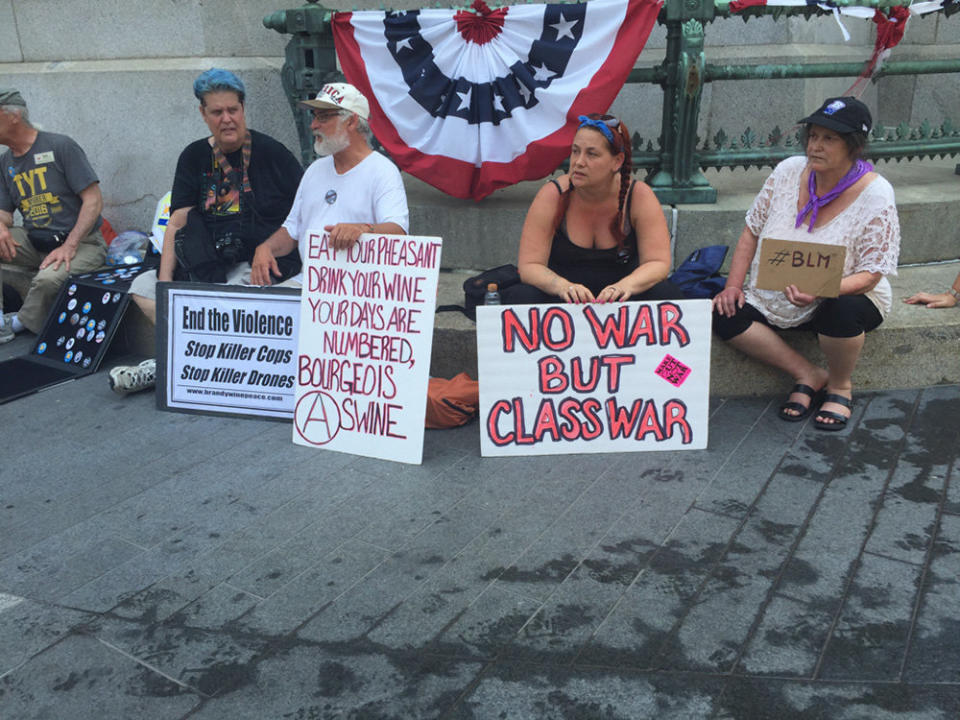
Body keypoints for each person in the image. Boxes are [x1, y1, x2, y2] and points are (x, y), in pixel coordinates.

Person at [109, 68, 303, 393]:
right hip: (205, 262)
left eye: (233, 110)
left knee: (233, 299)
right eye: (217, 112)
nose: (227, 119)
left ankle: (169, 367)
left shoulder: (273, 153)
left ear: (243, 109)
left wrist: (269, 248)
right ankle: (189, 363)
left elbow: (301, 217)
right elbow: (177, 221)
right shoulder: (194, 156)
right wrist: (166, 283)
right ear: (203, 114)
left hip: (255, 265)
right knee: (144, 287)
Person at [713, 97, 901, 431]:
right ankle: (807, 373)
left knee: (840, 311)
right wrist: (733, 286)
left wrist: (821, 290)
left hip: (845, 293)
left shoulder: (876, 193)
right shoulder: (788, 170)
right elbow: (751, 231)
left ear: (853, 146)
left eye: (829, 139)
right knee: (724, 312)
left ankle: (840, 386)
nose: (816, 146)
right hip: (777, 292)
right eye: (813, 136)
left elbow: (872, 273)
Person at [501, 113, 679, 305]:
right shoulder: (553, 195)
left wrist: (624, 286)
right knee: (521, 296)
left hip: (621, 301)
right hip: (564, 300)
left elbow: (658, 263)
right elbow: (529, 266)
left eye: (591, 154)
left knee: (667, 294)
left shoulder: (638, 196)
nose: (578, 162)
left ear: (617, 161)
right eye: (575, 151)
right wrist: (562, 286)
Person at [250, 82, 409, 287]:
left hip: (361, 288)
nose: (313, 125)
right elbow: (292, 229)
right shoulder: (315, 170)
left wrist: (363, 229)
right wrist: (266, 248)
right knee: (263, 310)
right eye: (314, 116)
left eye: (323, 117)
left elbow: (398, 231)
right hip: (310, 282)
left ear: (351, 121)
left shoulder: (382, 170)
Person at [0, 88, 106, 344]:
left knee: (48, 280)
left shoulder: (60, 146)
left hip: (83, 244)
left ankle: (16, 323)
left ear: (12, 116)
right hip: (35, 240)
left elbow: (93, 201)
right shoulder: (5, 162)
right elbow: (4, 214)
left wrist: (70, 245)